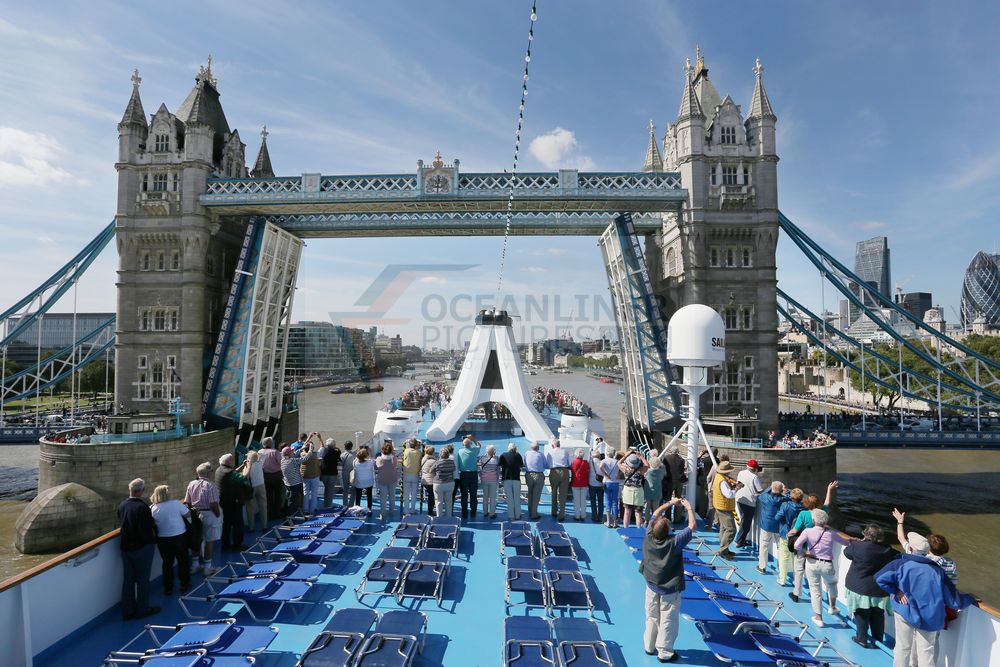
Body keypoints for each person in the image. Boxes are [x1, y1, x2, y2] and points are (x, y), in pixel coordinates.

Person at [875, 531, 978, 667]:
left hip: (905, 610)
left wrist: (896, 591)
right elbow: (954, 600)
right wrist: (970, 598)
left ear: (910, 548)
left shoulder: (899, 564)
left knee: (902, 647)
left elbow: (879, 578)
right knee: (926, 653)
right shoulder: (938, 572)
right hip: (930, 616)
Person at [640, 496, 697, 663]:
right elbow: (692, 526)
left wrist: (670, 503)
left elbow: (655, 513)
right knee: (667, 619)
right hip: (669, 590)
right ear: (668, 531)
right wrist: (688, 507)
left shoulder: (649, 534)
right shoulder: (675, 542)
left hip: (651, 586)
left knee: (651, 616)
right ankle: (664, 652)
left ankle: (649, 646)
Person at [794, 509, 853, 627]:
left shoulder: (808, 531)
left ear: (814, 520)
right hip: (827, 564)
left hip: (812, 563)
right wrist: (856, 539)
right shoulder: (831, 533)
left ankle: (819, 617)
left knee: (815, 590)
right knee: (832, 583)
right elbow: (847, 543)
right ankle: (833, 607)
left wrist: (805, 552)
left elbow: (797, 545)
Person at [844, 523, 898, 648]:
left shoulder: (857, 546)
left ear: (866, 535)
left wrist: (862, 542)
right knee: (878, 614)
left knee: (861, 612)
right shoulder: (887, 549)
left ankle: (861, 639)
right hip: (879, 589)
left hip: (859, 586)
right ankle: (877, 640)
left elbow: (847, 553)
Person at [787, 481, 838, 603]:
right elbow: (827, 503)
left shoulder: (803, 514)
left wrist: (788, 534)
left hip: (803, 545)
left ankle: (796, 593)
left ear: (807, 503)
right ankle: (823, 597)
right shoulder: (822, 513)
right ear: (818, 503)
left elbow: (795, 530)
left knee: (799, 568)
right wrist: (829, 490)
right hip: (816, 547)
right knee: (815, 573)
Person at [118, 478, 160, 620]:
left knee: (128, 580)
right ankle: (142, 609)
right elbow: (146, 528)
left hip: (125, 547)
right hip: (141, 548)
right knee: (143, 580)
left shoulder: (122, 505)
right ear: (141, 491)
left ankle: (127, 610)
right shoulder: (142, 507)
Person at [893, 508, 959, 583]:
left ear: (927, 546)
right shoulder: (949, 562)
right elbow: (953, 582)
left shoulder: (915, 554)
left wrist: (900, 521)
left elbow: (901, 538)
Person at [150, 484, 191, 595]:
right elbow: (188, 514)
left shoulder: (153, 508)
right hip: (179, 536)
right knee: (183, 560)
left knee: (167, 563)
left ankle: (168, 587)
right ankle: (184, 584)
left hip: (163, 539)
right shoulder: (175, 503)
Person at [184, 462, 222, 575]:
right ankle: (207, 567)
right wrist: (218, 514)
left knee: (197, 539)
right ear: (208, 473)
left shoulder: (191, 484)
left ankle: (195, 565)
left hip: (196, 515)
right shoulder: (211, 486)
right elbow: (213, 504)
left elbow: (187, 502)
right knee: (209, 541)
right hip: (209, 514)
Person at [215, 453, 250, 551]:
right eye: (232, 460)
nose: (233, 461)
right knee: (237, 524)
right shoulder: (229, 473)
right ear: (228, 462)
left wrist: (242, 466)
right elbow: (244, 477)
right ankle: (237, 545)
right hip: (234, 503)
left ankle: (225, 545)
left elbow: (233, 473)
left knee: (226, 525)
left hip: (224, 502)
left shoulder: (219, 470)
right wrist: (249, 465)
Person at [756, 480, 789, 575]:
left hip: (766, 525)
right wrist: (785, 490)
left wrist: (771, 487)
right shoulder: (783, 499)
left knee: (764, 545)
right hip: (778, 526)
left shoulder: (764, 497)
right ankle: (781, 569)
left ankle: (762, 567)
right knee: (780, 547)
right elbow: (791, 497)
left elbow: (763, 493)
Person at [775, 488, 805, 586]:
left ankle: (782, 579)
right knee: (795, 558)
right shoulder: (804, 508)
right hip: (798, 535)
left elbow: (777, 517)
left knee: (784, 557)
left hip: (785, 533)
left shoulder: (786, 505)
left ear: (792, 496)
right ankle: (795, 580)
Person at [711, 460, 740, 560]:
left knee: (723, 528)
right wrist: (737, 488)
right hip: (724, 507)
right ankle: (723, 550)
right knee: (731, 529)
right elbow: (729, 494)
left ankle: (724, 548)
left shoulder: (718, 477)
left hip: (719, 505)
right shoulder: (723, 481)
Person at [734, 458, 764, 549]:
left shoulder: (741, 473)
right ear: (755, 469)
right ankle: (739, 541)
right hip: (749, 502)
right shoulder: (754, 477)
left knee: (743, 520)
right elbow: (760, 490)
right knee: (746, 523)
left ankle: (740, 539)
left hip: (739, 498)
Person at [620, 451, 649, 529]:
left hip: (627, 492)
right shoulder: (641, 471)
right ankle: (639, 529)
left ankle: (626, 529)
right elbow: (647, 465)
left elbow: (618, 463)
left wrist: (626, 455)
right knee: (638, 513)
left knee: (627, 512)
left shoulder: (625, 470)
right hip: (638, 492)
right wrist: (642, 457)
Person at [258, 437, 284, 520]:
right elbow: (281, 463)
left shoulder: (259, 452)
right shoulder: (275, 452)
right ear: (269, 443)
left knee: (268, 495)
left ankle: (269, 513)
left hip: (265, 476)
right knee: (278, 495)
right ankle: (277, 513)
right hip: (276, 476)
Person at [456, 435, 482, 519]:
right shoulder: (474, 450)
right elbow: (479, 445)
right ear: (470, 444)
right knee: (473, 495)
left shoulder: (460, 451)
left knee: (464, 495)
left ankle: (464, 513)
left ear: (463, 444)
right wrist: (473, 438)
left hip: (463, 475)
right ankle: (473, 512)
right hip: (473, 475)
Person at [546, 439, 572, 521]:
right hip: (564, 471)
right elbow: (568, 464)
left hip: (554, 472)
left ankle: (554, 512)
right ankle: (561, 514)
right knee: (563, 494)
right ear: (559, 445)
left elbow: (548, 464)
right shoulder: (565, 452)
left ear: (553, 445)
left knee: (554, 492)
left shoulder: (550, 452)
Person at [243, 450, 267, 533]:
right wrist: (256, 455)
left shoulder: (247, 466)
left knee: (250, 507)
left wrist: (246, 463)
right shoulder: (260, 463)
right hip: (261, 485)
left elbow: (244, 476)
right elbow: (263, 455)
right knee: (263, 506)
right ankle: (264, 525)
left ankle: (251, 527)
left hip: (251, 487)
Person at [499, 442, 524, 520]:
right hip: (516, 479)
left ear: (508, 448)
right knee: (516, 498)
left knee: (509, 498)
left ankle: (511, 516)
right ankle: (517, 515)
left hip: (506, 479)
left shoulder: (503, 455)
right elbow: (521, 464)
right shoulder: (518, 455)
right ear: (515, 448)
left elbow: (499, 464)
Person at [375, 441, 399, 521]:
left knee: (383, 497)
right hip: (392, 479)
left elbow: (377, 466)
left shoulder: (379, 459)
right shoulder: (393, 458)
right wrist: (393, 454)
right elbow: (395, 465)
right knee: (392, 496)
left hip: (382, 480)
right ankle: (392, 512)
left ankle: (383, 513)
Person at [661, 447, 685, 521]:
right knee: (678, 499)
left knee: (668, 500)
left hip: (669, 481)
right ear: (677, 452)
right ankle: (677, 518)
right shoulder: (682, 460)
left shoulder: (666, 458)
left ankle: (667, 517)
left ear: (671, 451)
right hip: (679, 482)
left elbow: (664, 469)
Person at [524, 441, 547, 520]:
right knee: (536, 495)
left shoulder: (527, 453)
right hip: (538, 475)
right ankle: (534, 514)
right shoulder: (541, 455)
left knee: (530, 494)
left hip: (529, 475)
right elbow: (546, 465)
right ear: (538, 447)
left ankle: (530, 511)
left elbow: (525, 462)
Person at [299, 436, 322, 513]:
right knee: (314, 493)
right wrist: (319, 438)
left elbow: (303, 447)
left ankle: (305, 510)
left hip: (305, 476)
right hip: (314, 476)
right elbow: (322, 448)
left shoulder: (302, 454)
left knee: (306, 493)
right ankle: (313, 509)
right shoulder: (316, 454)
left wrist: (309, 437)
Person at [431, 448, 456, 517]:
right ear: (448, 455)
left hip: (438, 484)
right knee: (449, 501)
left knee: (439, 502)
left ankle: (439, 517)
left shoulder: (437, 462)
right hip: (449, 483)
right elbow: (454, 469)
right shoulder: (451, 462)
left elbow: (431, 471)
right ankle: (448, 517)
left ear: (440, 455)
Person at [281, 446, 304, 515]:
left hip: (288, 484)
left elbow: (294, 453)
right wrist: (310, 451)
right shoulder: (292, 460)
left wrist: (301, 449)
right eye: (291, 451)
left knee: (289, 499)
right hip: (295, 484)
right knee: (293, 501)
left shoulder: (283, 460)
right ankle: (290, 517)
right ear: (289, 453)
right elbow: (304, 459)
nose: (293, 452)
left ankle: (288, 514)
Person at [480, 444, 501, 519]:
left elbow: (482, 468)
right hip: (493, 480)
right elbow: (498, 469)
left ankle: (485, 512)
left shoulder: (482, 458)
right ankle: (492, 513)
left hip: (485, 479)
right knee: (492, 497)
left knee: (485, 496)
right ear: (493, 451)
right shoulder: (496, 459)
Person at [602, 450, 622, 528]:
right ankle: (615, 523)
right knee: (614, 502)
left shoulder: (604, 461)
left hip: (607, 482)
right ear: (614, 454)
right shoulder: (617, 461)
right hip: (615, 483)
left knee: (607, 501)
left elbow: (600, 467)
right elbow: (622, 470)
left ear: (607, 453)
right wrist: (618, 474)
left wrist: (605, 474)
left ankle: (608, 521)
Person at [401, 439, 422, 515]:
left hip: (407, 474)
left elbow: (406, 450)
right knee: (414, 493)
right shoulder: (419, 452)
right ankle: (412, 510)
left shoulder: (406, 451)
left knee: (406, 493)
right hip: (415, 474)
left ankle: (406, 510)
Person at [643, 451, 665, 522]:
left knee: (647, 507)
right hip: (657, 492)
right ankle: (655, 521)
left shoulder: (647, 472)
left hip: (648, 491)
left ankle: (646, 520)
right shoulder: (661, 472)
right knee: (656, 508)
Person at [319, 438, 341, 508]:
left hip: (324, 473)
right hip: (333, 473)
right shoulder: (336, 452)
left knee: (326, 489)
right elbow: (339, 460)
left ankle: (325, 505)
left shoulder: (323, 451)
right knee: (330, 490)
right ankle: (329, 506)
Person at [569, 448, 590, 521]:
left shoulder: (573, 462)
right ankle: (583, 515)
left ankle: (577, 515)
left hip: (575, 483)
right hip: (584, 483)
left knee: (576, 500)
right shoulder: (586, 463)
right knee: (583, 500)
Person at [420, 446, 437, 516]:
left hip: (424, 480)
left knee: (431, 495)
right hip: (431, 481)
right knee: (432, 496)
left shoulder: (423, 459)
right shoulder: (433, 461)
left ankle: (430, 509)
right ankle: (430, 511)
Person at [589, 451, 605, 522]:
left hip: (592, 483)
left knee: (593, 501)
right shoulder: (602, 463)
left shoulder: (590, 463)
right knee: (600, 501)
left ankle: (594, 516)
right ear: (599, 456)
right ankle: (600, 516)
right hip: (600, 484)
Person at [340, 441, 356, 508]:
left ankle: (345, 504)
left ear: (345, 446)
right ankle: (351, 504)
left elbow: (341, 464)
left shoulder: (342, 455)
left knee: (345, 489)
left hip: (345, 473)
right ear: (351, 446)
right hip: (353, 473)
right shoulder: (355, 454)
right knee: (353, 489)